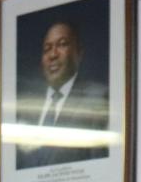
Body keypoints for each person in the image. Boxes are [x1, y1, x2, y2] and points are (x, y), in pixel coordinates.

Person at [16, 17, 110, 170]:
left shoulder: (98, 99)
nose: (53, 54)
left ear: (79, 53)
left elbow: (100, 171)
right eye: (47, 48)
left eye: (62, 44)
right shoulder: (26, 108)